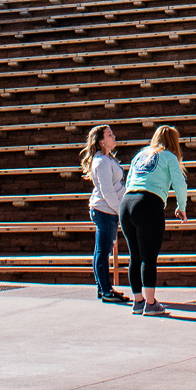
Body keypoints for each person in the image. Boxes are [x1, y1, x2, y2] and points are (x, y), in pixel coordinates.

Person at [120, 126, 188, 315]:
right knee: (148, 257)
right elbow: (180, 184)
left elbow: (128, 181)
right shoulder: (170, 157)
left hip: (126, 204)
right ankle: (151, 304)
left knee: (134, 255)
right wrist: (182, 207)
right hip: (149, 203)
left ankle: (138, 301)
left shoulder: (140, 155)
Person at [80, 124, 129, 304]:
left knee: (103, 250)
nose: (114, 137)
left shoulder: (108, 159)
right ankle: (105, 290)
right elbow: (107, 191)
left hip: (108, 210)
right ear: (101, 141)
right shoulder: (101, 161)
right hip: (105, 210)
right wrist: (119, 210)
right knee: (102, 251)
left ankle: (104, 289)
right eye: (109, 135)